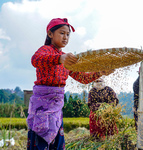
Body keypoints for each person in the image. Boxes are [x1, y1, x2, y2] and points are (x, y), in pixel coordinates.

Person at [27, 18, 114, 150]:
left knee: (57, 142)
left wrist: (100, 72)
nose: (65, 37)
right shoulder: (46, 51)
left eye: (68, 35)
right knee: (41, 140)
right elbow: (35, 60)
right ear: (50, 34)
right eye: (62, 33)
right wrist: (59, 58)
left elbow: (82, 78)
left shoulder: (66, 58)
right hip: (42, 108)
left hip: (56, 109)